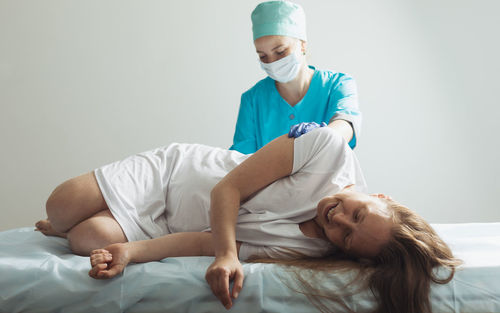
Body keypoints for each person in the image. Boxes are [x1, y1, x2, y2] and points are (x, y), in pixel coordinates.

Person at [36, 127, 459, 313]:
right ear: (380, 196)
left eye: (346, 237)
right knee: (60, 206)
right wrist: (226, 255)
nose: (339, 219)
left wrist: (130, 252)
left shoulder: (309, 248)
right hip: (173, 175)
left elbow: (201, 242)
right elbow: (227, 191)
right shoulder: (327, 148)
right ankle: (60, 221)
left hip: (170, 223)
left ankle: (74, 228)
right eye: (358, 212)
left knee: (87, 239)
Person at [230, 1, 362, 154]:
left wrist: (322, 137)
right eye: (263, 56)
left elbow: (346, 125)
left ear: (302, 45)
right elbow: (241, 160)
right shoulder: (252, 100)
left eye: (280, 51)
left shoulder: (337, 84)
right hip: (270, 179)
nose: (272, 62)